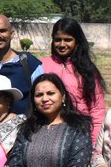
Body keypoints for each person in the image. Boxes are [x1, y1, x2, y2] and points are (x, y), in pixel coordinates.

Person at [40, 17, 106, 145]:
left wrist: (94, 145)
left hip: (79, 134)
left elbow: (97, 110)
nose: (62, 44)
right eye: (58, 40)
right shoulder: (42, 65)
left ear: (77, 42)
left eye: (68, 40)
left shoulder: (87, 70)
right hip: (47, 133)